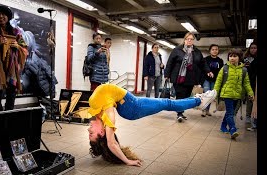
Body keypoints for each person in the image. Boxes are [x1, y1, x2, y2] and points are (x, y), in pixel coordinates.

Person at [87, 84, 217, 166]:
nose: (88, 129)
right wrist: (128, 161)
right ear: (102, 132)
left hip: (130, 103)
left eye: (89, 132)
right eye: (91, 133)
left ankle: (198, 100)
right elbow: (111, 143)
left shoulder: (96, 110)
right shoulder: (108, 117)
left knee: (168, 102)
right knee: (168, 103)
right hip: (133, 108)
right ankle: (199, 101)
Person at [0, 5, 28, 112]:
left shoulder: (15, 32)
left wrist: (17, 46)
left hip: (12, 69)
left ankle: (10, 116)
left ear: (8, 17)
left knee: (11, 94)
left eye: (3, 14)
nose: (1, 16)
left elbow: (24, 48)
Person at [164, 32, 213, 122]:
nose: (189, 41)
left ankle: (181, 112)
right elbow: (170, 62)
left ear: (193, 40)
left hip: (190, 78)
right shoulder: (177, 50)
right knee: (179, 95)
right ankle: (179, 113)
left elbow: (202, 63)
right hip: (179, 77)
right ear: (184, 40)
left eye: (191, 39)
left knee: (186, 96)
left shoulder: (197, 51)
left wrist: (208, 71)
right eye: (187, 39)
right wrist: (167, 74)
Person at [213, 48, 254, 139]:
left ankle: (223, 127)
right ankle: (233, 129)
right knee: (231, 113)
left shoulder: (243, 70)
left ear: (240, 58)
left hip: (237, 95)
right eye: (230, 56)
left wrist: (250, 93)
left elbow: (246, 83)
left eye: (234, 56)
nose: (232, 58)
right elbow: (218, 81)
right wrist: (214, 92)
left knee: (229, 113)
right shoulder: (225, 68)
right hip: (227, 94)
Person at [200, 44, 224, 117]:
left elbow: (221, 71)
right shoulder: (206, 59)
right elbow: (203, 68)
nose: (214, 51)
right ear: (210, 51)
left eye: (216, 49)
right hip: (206, 79)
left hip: (215, 81)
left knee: (211, 96)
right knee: (206, 94)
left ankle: (207, 110)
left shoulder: (220, 61)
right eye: (213, 49)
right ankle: (203, 110)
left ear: (218, 51)